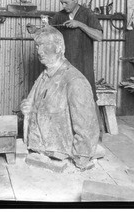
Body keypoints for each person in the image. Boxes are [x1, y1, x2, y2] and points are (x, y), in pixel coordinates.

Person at [20, 25, 100, 170]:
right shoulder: (44, 75)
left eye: (45, 45)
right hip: (40, 150)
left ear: (59, 47)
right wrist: (28, 107)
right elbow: (36, 104)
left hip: (60, 154)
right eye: (37, 45)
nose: (39, 51)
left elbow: (87, 128)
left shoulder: (75, 81)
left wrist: (81, 160)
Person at [49, 0, 103, 101]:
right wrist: (37, 30)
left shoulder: (87, 14)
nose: (63, 5)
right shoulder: (59, 16)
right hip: (64, 67)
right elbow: (48, 35)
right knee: (62, 99)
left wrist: (79, 24)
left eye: (66, 2)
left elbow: (99, 36)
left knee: (84, 99)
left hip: (83, 66)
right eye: (61, 3)